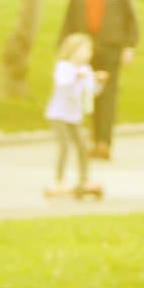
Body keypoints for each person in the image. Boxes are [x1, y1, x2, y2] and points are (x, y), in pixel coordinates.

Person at [57, 0, 137, 160]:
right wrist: (64, 50)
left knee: (107, 95)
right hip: (85, 50)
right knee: (88, 94)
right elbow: (69, 21)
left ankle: (104, 142)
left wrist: (129, 47)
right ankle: (93, 140)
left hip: (111, 48)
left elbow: (131, 20)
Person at [43, 34, 103, 199]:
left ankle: (84, 179)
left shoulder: (86, 69)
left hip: (73, 116)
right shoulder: (63, 66)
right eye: (85, 49)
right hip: (57, 114)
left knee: (83, 147)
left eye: (89, 50)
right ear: (73, 50)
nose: (88, 53)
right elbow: (63, 84)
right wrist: (76, 75)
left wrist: (99, 82)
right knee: (64, 145)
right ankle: (58, 180)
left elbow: (91, 92)